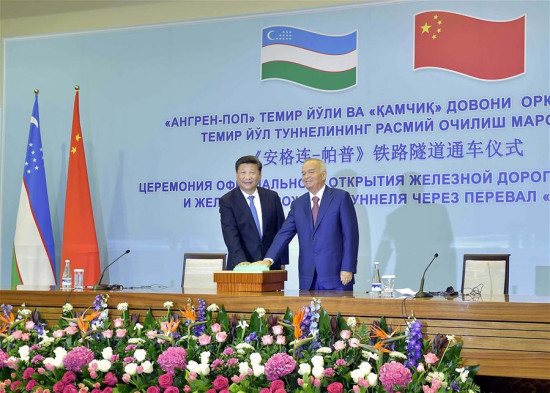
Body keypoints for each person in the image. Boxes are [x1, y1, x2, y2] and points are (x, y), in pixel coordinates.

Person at [255, 158, 359, 290]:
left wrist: (347, 267)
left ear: (323, 174)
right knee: (308, 311)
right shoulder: (298, 204)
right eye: (303, 173)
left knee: (337, 311)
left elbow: (350, 236)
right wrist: (268, 260)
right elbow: (283, 234)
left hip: (336, 275)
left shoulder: (340, 198)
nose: (306, 176)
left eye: (311, 172)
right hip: (308, 276)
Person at [219, 155, 288, 270]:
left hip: (270, 265)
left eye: (252, 172)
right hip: (241, 265)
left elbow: (281, 231)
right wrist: (241, 262)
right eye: (243, 172)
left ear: (259, 175)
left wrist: (282, 260)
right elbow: (230, 235)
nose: (247, 177)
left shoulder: (272, 197)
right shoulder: (227, 201)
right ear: (237, 175)